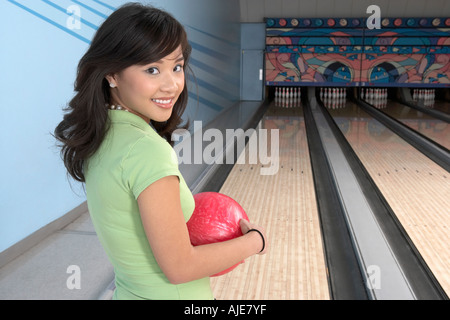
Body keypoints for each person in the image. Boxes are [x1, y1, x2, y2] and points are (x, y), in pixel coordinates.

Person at [54, 2, 267, 300]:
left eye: (177, 67)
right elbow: (180, 267)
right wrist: (255, 241)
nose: (172, 84)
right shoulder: (146, 150)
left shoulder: (101, 136)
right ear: (112, 74)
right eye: (152, 69)